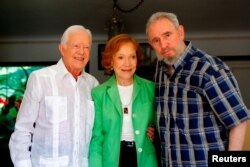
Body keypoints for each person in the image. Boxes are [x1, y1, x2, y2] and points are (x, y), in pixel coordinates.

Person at [146, 12, 250, 166]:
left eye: (167, 35)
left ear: (180, 32)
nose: (163, 44)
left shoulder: (209, 69)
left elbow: (238, 121)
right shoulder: (160, 69)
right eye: (156, 40)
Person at [9, 25, 99, 167]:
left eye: (87, 47)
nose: (82, 52)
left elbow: (97, 134)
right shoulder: (40, 78)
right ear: (62, 48)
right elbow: (22, 130)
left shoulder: (93, 84)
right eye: (76, 46)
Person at [88, 34, 158, 167]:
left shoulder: (150, 89)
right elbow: (97, 139)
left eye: (132, 56)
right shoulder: (99, 93)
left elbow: (164, 126)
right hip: (112, 159)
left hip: (144, 159)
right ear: (111, 61)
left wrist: (152, 127)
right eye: (121, 57)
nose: (127, 63)